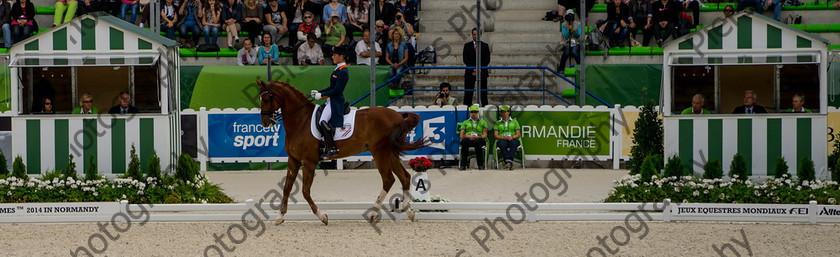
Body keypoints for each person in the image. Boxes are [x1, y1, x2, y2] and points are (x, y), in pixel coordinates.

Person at [310, 45, 349, 159]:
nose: (332, 57)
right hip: (330, 100)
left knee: (322, 121)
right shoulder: (337, 69)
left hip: (335, 101)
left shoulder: (343, 71)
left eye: (335, 55)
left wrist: (321, 95)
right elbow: (331, 87)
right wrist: (318, 92)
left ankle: (332, 147)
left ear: (341, 56)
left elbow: (337, 90)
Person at [462, 28, 490, 107]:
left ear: (480, 35)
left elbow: (487, 60)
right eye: (474, 34)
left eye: (477, 34)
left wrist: (479, 69)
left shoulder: (485, 46)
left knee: (483, 94)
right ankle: (466, 110)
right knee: (468, 94)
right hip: (470, 73)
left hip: (482, 73)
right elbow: (465, 59)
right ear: (472, 35)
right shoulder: (467, 46)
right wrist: (473, 69)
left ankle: (485, 109)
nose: (475, 36)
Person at [459, 104, 488, 170]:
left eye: (475, 112)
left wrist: (477, 137)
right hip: (468, 138)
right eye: (472, 112)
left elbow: (485, 135)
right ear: (470, 113)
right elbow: (461, 135)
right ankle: (463, 165)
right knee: (464, 143)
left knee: (478, 143)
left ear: (478, 113)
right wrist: (469, 136)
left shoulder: (483, 122)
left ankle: (480, 165)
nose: (473, 113)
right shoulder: (465, 122)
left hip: (478, 138)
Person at [494, 105, 521, 170]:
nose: (503, 113)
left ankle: (508, 161)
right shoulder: (498, 123)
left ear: (508, 112)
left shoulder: (515, 122)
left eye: (505, 111)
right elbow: (496, 135)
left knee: (514, 143)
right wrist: (504, 137)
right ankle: (509, 161)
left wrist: (512, 137)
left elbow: (518, 134)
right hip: (503, 138)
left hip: (512, 138)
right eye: (502, 112)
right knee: (501, 144)